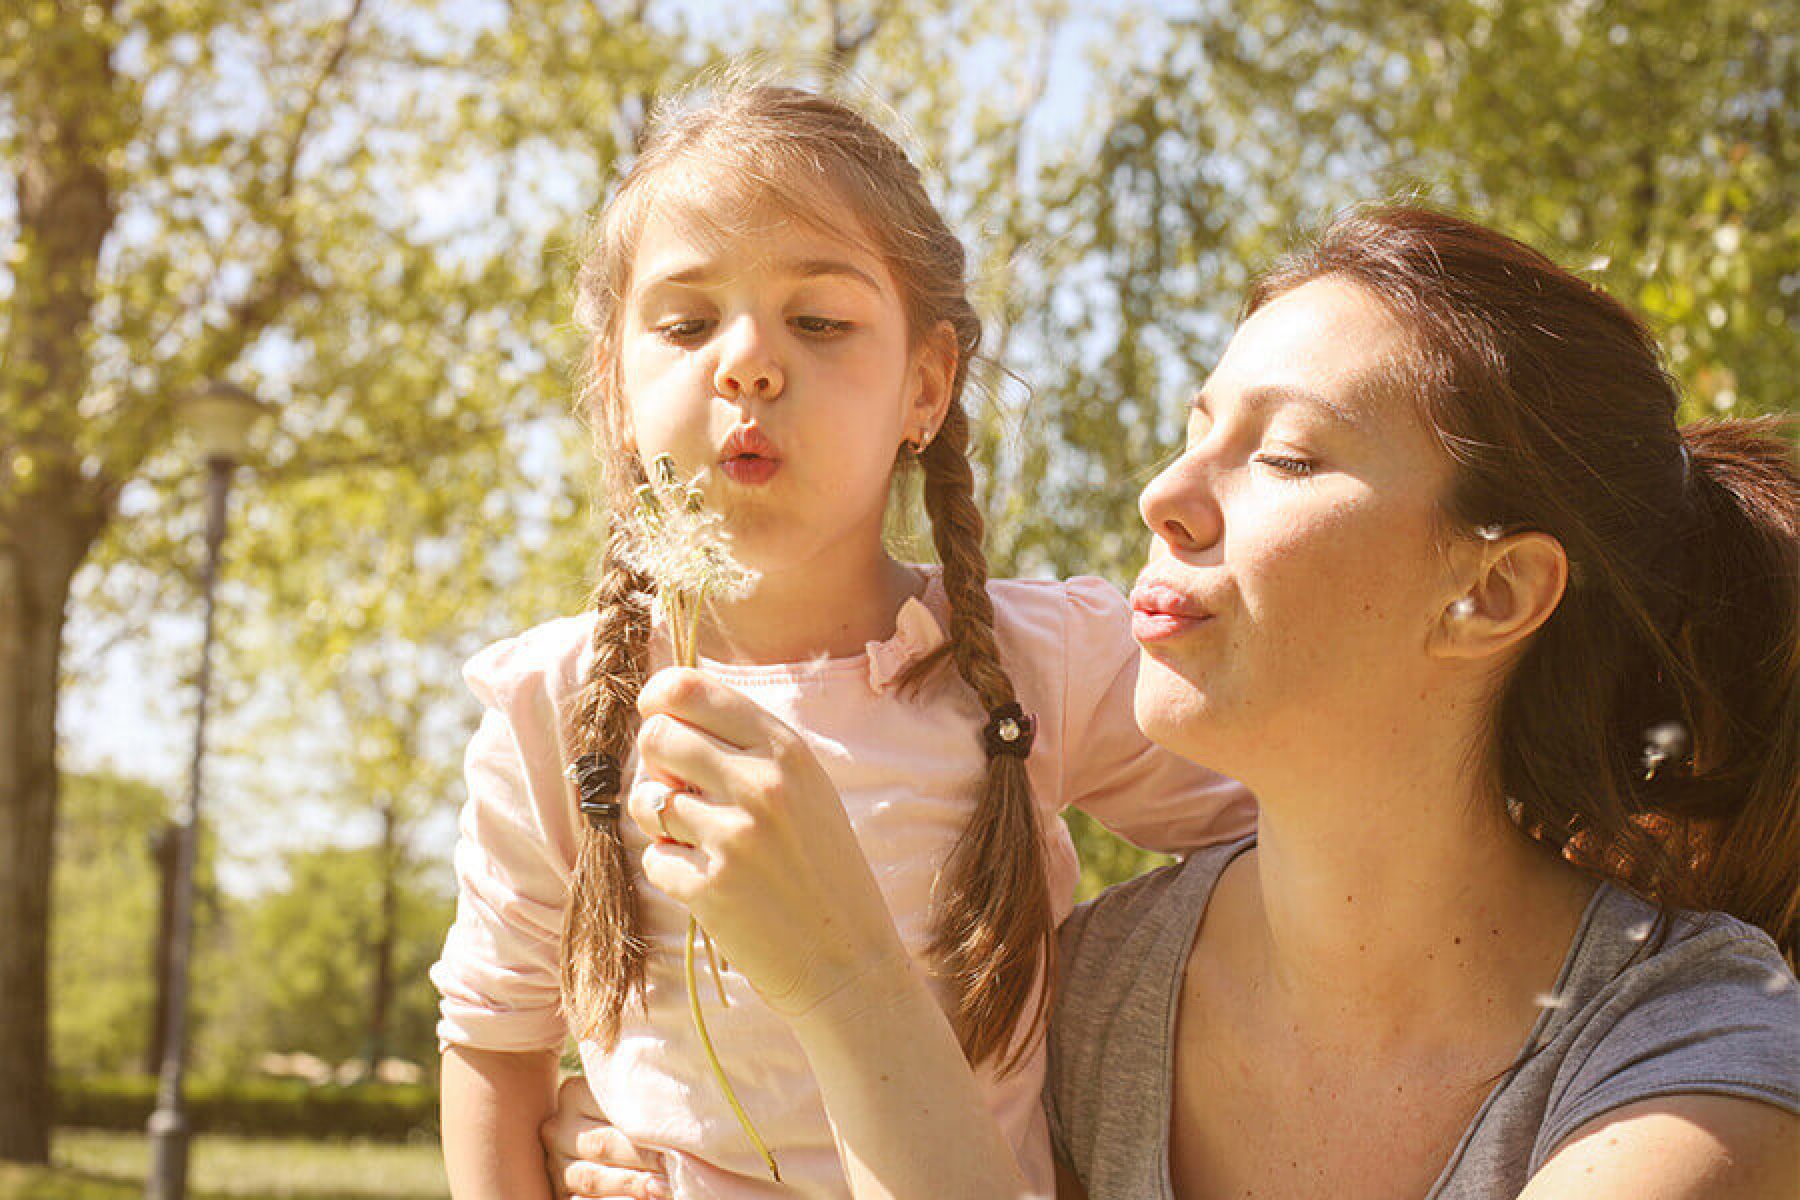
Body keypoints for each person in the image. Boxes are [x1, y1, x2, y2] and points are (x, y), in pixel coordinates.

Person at [545, 204, 1798, 1199]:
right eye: (1195, 430)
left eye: (1289, 457)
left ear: (1493, 593)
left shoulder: (1698, 1074)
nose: (1163, 495)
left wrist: (848, 981)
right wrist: (679, 1128)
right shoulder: (1089, 1000)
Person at [430, 80, 1255, 1200]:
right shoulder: (555, 702)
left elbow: (1302, 826)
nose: (749, 364)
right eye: (683, 324)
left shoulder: (1036, 660)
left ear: (926, 386)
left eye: (819, 321)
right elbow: (493, 1038)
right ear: (616, 390)